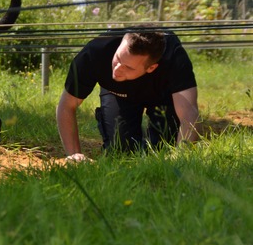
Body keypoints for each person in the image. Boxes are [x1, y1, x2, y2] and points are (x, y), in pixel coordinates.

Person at [56, 29, 199, 162]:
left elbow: (189, 113)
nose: (117, 69)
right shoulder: (96, 51)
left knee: (165, 149)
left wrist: (181, 158)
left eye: (128, 67)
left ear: (151, 68)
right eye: (118, 58)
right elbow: (67, 105)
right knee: (121, 151)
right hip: (118, 94)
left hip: (164, 96)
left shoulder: (173, 57)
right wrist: (74, 154)